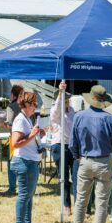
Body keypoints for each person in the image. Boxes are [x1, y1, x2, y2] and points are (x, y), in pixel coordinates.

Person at [69, 85, 112, 223]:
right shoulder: (109, 119)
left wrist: (80, 157)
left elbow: (72, 144)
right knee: (101, 203)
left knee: (80, 201)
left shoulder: (78, 117)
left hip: (84, 161)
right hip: (103, 162)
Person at [11, 91, 45, 223]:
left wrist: (37, 133)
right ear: (26, 104)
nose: (35, 107)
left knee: (29, 195)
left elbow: (27, 137)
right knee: (25, 194)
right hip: (24, 162)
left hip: (30, 161)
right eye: (34, 104)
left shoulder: (27, 119)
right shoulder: (20, 119)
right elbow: (16, 143)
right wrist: (32, 135)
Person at [50, 82, 76, 215]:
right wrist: (60, 93)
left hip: (72, 146)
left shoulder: (71, 110)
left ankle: (79, 204)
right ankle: (66, 205)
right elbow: (56, 111)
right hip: (59, 145)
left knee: (76, 176)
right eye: (65, 98)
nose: (67, 101)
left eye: (68, 99)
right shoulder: (55, 109)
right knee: (64, 177)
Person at [0, 84, 24, 196]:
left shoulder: (11, 106)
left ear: (13, 94)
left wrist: (3, 124)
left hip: (15, 138)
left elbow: (9, 125)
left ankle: (12, 188)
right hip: (26, 137)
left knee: (12, 164)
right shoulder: (26, 106)